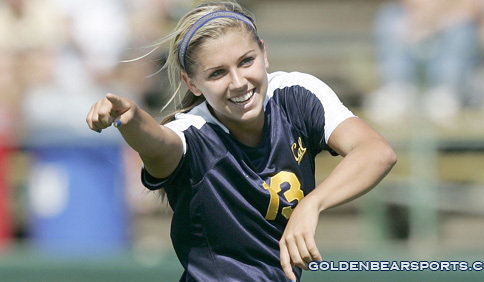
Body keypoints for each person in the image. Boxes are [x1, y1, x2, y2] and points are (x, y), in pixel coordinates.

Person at [86, 1, 396, 281]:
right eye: (218, 73)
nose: (238, 82)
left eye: (246, 61)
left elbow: (376, 152)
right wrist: (132, 119)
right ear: (190, 82)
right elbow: (157, 142)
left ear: (264, 52)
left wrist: (312, 205)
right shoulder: (192, 134)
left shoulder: (296, 94)